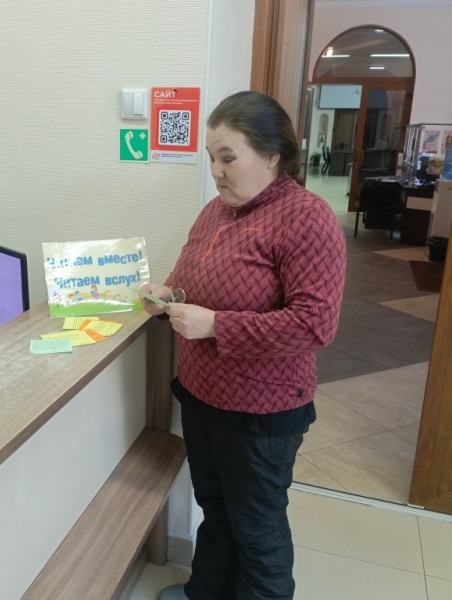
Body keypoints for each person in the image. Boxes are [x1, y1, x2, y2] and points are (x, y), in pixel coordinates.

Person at [139, 91, 346, 600]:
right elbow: (190, 280)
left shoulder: (307, 218)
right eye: (212, 158)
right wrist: (166, 295)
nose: (216, 171)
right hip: (202, 396)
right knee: (215, 509)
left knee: (257, 529)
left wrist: (216, 326)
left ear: (273, 155)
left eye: (228, 158)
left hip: (261, 412)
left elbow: (314, 325)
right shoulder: (215, 212)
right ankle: (205, 593)